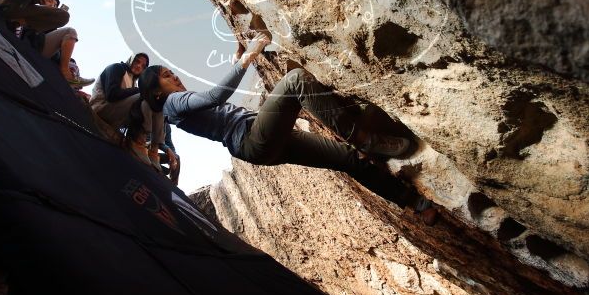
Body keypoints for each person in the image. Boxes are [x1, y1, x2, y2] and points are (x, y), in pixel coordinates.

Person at [135, 35, 438, 224]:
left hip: (260, 143)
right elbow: (216, 96)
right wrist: (248, 57)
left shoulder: (177, 106)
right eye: (165, 75)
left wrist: (238, 57)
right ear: (157, 93)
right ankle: (362, 137)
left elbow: (215, 107)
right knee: (296, 82)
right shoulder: (173, 102)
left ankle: (414, 203)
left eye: (170, 71)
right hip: (253, 138)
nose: (173, 75)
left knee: (347, 160)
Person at [90, 53, 179, 175]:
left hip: (117, 118)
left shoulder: (132, 81)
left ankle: (153, 148)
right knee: (148, 95)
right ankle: (138, 141)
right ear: (131, 60)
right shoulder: (116, 68)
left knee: (157, 102)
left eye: (143, 66)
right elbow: (112, 95)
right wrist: (140, 90)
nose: (138, 66)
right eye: (137, 62)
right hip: (101, 109)